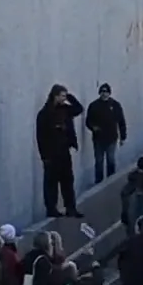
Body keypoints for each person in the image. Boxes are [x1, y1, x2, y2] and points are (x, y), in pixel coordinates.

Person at [37, 83, 84, 217]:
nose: (64, 98)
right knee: (51, 183)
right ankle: (51, 209)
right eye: (62, 96)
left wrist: (69, 96)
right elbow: (40, 136)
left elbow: (79, 109)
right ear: (55, 96)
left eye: (65, 96)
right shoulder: (45, 113)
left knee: (68, 180)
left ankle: (71, 207)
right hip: (51, 153)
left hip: (64, 150)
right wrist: (44, 156)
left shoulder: (65, 109)